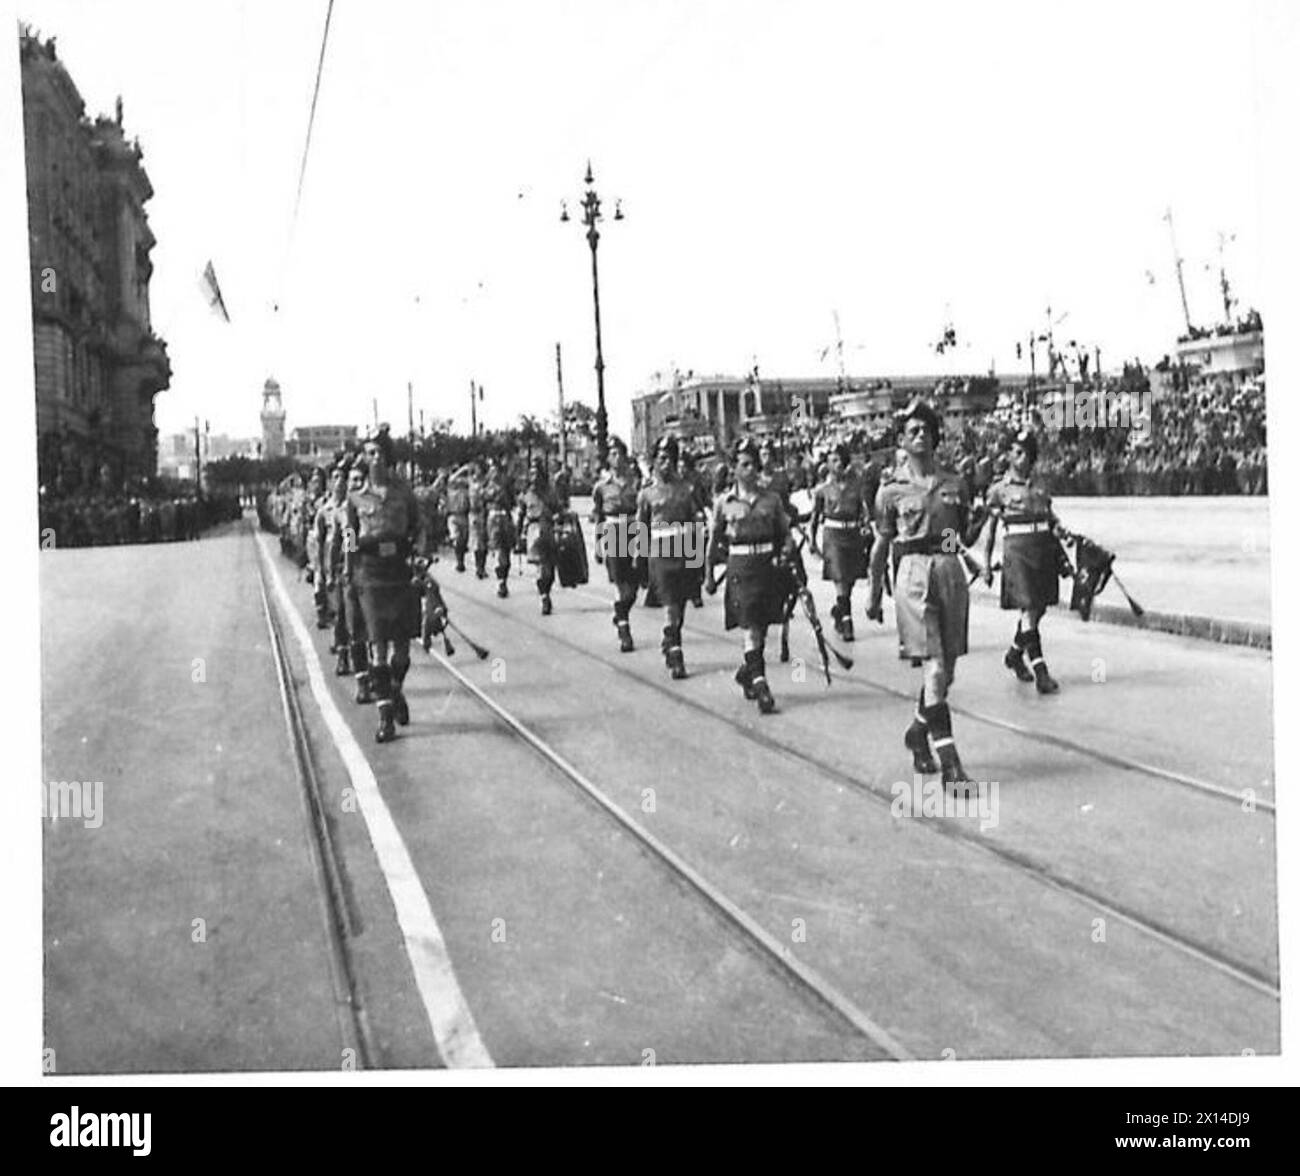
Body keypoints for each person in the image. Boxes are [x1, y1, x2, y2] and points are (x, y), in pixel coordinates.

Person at [867, 400, 985, 791]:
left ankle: (918, 732)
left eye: (926, 430)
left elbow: (951, 533)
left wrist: (968, 558)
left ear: (936, 437)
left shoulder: (954, 485)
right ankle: (952, 765)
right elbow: (883, 543)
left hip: (949, 572)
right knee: (933, 668)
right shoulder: (890, 491)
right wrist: (872, 591)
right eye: (913, 430)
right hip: (913, 575)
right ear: (901, 440)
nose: (921, 435)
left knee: (946, 671)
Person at [705, 438, 793, 714]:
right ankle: (761, 684)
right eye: (744, 464)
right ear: (733, 469)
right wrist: (708, 574)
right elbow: (714, 539)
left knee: (763, 627)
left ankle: (748, 671)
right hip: (740, 568)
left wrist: (786, 553)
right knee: (751, 627)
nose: (751, 470)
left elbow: (785, 535)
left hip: (767, 566)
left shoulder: (771, 500)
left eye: (754, 464)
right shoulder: (726, 503)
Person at [344, 432, 419, 743]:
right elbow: (349, 535)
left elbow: (418, 528)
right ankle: (385, 718)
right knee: (379, 646)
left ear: (388, 458)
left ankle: (396, 689)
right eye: (368, 453)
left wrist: (421, 556)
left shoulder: (405, 493)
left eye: (377, 453)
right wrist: (349, 572)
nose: (372, 458)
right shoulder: (356, 497)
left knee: (402, 646)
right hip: (371, 574)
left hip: (400, 572)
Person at [983, 429, 1071, 693]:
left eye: (1022, 453)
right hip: (1017, 552)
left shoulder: (1040, 486)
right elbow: (990, 529)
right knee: (1029, 610)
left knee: (1039, 608)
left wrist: (1061, 532)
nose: (1016, 457)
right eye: (1014, 451)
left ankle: (1014, 653)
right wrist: (986, 564)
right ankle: (1041, 671)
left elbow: (1050, 517)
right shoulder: (999, 490)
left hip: (1042, 549)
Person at [636, 435, 699, 679]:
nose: (666, 463)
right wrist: (639, 562)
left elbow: (694, 523)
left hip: (683, 551)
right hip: (659, 554)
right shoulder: (647, 494)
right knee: (671, 605)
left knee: (680, 606)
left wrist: (697, 561)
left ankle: (669, 637)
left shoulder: (686, 489)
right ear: (654, 461)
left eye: (670, 459)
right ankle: (676, 656)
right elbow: (641, 528)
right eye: (661, 458)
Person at [809, 441, 870, 642]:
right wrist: (812, 541)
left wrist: (866, 527)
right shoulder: (822, 489)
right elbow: (814, 518)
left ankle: (839, 609)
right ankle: (847, 621)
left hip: (852, 535)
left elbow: (864, 512)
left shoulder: (857, 485)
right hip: (833, 535)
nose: (835, 464)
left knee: (849, 580)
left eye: (838, 460)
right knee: (840, 578)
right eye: (831, 461)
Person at [592, 436, 643, 652]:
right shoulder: (602, 487)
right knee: (620, 583)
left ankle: (620, 612)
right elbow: (598, 516)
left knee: (634, 587)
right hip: (613, 532)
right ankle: (624, 630)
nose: (617, 457)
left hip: (633, 530)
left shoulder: (637, 482)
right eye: (613, 454)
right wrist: (597, 544)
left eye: (620, 453)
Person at [515, 457, 559, 615]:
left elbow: (559, 509)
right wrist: (519, 537)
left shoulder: (550, 492)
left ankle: (547, 590)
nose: (534, 477)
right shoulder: (526, 495)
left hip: (549, 529)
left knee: (550, 568)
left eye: (537, 474)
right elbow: (520, 516)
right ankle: (544, 597)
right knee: (541, 569)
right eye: (531, 474)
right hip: (533, 530)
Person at [482, 455, 516, 598]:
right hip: (494, 519)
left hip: (502, 518)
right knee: (499, 551)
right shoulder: (488, 487)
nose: (493, 473)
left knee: (504, 551)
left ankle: (502, 580)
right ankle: (501, 581)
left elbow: (513, 501)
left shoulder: (504, 484)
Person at [444, 462, 472, 572]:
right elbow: (452, 478)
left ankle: (461, 562)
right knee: (457, 539)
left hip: (464, 516)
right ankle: (458, 562)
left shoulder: (465, 488)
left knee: (463, 541)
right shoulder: (450, 487)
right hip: (453, 516)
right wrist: (462, 469)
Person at [468, 459, 489, 579]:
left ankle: (483, 567)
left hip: (484, 513)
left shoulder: (486, 482)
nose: (477, 471)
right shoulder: (471, 482)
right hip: (474, 513)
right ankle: (478, 568)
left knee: (484, 542)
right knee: (477, 542)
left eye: (479, 469)